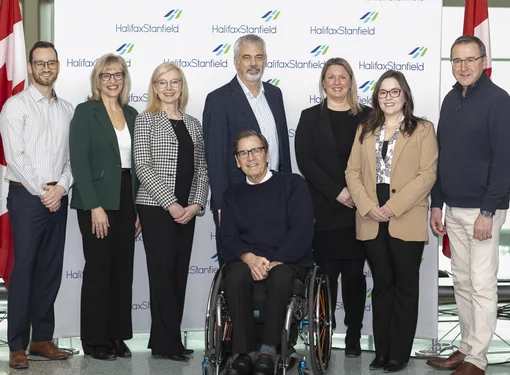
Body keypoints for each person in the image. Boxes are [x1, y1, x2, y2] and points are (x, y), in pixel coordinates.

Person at [427, 36, 510, 375]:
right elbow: (441, 156)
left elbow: (504, 160)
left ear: (483, 60)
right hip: (453, 208)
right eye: (456, 61)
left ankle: (478, 358)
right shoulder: (450, 99)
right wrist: (436, 204)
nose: (463, 67)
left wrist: (488, 211)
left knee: (481, 283)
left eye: (470, 60)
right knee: (461, 281)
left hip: (482, 210)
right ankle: (465, 348)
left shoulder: (498, 101)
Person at [345, 70, 438, 373]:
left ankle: (399, 353)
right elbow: (352, 173)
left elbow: (427, 175)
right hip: (371, 217)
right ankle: (381, 351)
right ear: (376, 98)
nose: (388, 97)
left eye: (394, 92)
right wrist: (369, 206)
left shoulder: (422, 130)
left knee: (405, 286)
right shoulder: (365, 128)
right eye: (382, 93)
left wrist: (392, 207)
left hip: (405, 215)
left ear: (405, 95)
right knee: (382, 285)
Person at [0, 41, 73, 370]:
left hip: (58, 197)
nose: (46, 68)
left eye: (51, 63)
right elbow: (15, 156)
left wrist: (61, 187)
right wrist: (44, 191)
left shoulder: (68, 110)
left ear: (58, 66)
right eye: (40, 63)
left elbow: (73, 160)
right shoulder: (15, 106)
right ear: (30, 68)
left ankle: (41, 339)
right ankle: (16, 344)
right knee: (24, 270)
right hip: (27, 199)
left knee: (50, 271)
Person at [295, 57, 371, 357]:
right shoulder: (310, 116)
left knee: (354, 276)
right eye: (331, 77)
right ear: (323, 82)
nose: (337, 82)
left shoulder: (368, 116)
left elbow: (375, 159)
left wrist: (357, 195)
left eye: (343, 77)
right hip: (325, 209)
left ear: (350, 81)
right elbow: (306, 161)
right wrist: (337, 192)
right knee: (326, 276)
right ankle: (325, 332)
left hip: (359, 208)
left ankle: (353, 334)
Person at [221, 130, 314, 375]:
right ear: (237, 161)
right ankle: (245, 352)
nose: (251, 157)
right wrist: (249, 258)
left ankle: (268, 350)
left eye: (256, 150)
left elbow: (302, 229)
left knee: (281, 276)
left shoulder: (292, 184)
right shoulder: (231, 195)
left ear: (267, 154)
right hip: (248, 260)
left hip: (287, 259)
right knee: (234, 274)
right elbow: (228, 239)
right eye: (243, 153)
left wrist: (276, 260)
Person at [134, 62, 208, 362]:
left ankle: (168, 338)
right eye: (162, 82)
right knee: (162, 274)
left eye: (174, 82)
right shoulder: (146, 120)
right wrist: (171, 203)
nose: (168, 88)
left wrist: (196, 204)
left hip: (187, 211)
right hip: (156, 209)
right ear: (154, 87)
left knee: (178, 274)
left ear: (182, 86)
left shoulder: (193, 123)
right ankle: (167, 344)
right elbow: (143, 165)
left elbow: (202, 167)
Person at [69, 53, 141, 361]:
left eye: (118, 75)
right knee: (99, 270)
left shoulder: (134, 113)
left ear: (125, 79)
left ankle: (116, 335)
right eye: (106, 75)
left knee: (123, 271)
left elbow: (137, 164)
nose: (112, 81)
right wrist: (95, 206)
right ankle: (95, 339)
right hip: (96, 199)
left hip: (127, 197)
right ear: (97, 80)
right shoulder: (86, 112)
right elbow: (79, 162)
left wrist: (138, 208)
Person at [203, 34, 291, 264]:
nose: (253, 63)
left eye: (258, 57)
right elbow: (215, 157)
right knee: (239, 268)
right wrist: (221, 206)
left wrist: (290, 192)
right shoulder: (218, 100)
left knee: (277, 266)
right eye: (247, 57)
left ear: (265, 60)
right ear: (236, 62)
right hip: (238, 199)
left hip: (276, 195)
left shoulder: (275, 94)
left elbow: (282, 146)